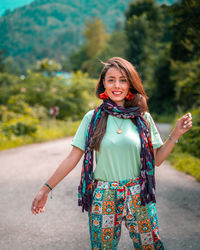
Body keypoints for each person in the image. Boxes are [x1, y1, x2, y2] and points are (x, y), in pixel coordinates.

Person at [31, 57, 192, 249]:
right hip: (104, 194)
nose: (117, 85)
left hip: (138, 192)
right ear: (103, 85)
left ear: (130, 84)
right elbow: (72, 158)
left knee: (151, 246)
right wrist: (45, 189)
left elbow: (156, 160)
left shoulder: (143, 118)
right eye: (111, 80)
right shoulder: (92, 118)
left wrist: (175, 133)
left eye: (123, 80)